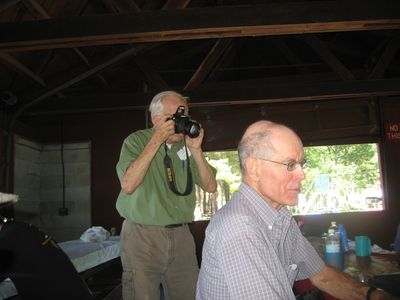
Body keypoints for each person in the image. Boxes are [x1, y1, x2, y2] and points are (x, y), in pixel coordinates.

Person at [197, 120, 397, 300]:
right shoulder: (239, 227)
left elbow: (322, 275)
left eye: (301, 164)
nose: (302, 175)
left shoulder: (280, 215)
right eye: (290, 164)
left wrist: (371, 295)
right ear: (254, 168)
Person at [116, 90, 217, 300]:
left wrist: (196, 150)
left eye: (184, 116)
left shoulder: (187, 146)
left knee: (189, 294)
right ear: (156, 120)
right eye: (174, 117)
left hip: (181, 236)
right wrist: (157, 140)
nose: (180, 122)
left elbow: (210, 186)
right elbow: (128, 184)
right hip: (142, 236)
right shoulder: (135, 141)